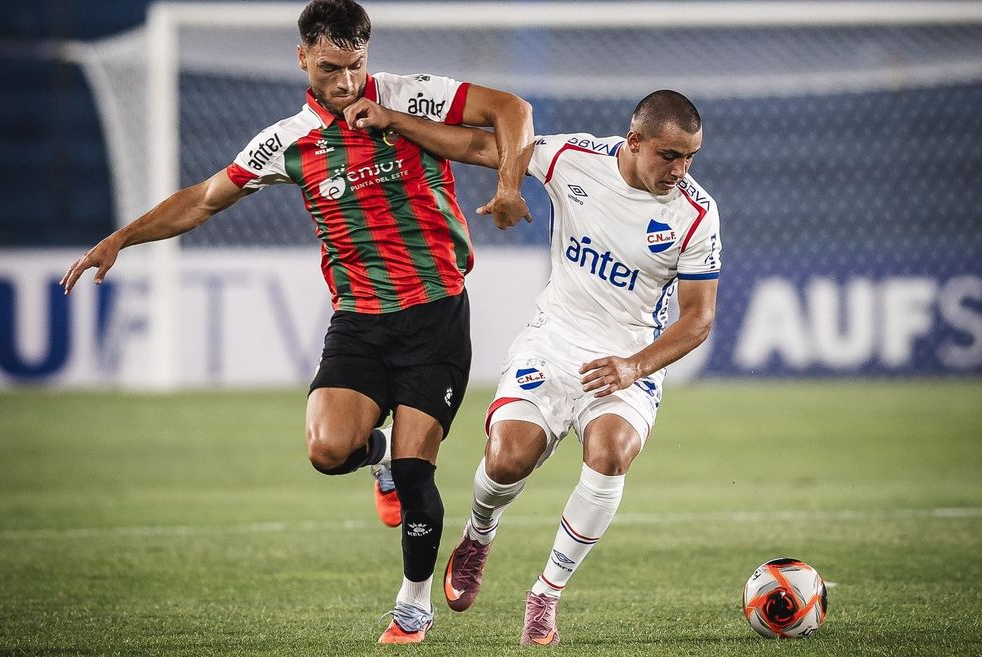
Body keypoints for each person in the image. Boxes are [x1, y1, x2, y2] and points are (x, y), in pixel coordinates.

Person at [60, 0, 534, 645]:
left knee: (420, 470)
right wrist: (123, 237)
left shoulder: (415, 97)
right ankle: (377, 458)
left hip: (435, 314)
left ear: (369, 54)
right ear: (303, 57)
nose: (343, 83)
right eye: (329, 68)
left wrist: (508, 187)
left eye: (355, 67)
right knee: (326, 450)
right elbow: (203, 199)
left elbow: (513, 112)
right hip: (359, 323)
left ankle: (412, 603)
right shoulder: (287, 141)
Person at [346, 89, 720, 645]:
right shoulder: (576, 159)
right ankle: (478, 534)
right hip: (554, 340)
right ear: (635, 141)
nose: (680, 170)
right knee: (507, 458)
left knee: (610, 453)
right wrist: (393, 120)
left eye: (690, 157)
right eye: (670, 155)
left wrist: (631, 367)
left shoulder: (696, 214)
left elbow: (697, 321)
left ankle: (546, 594)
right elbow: (482, 146)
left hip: (626, 356)